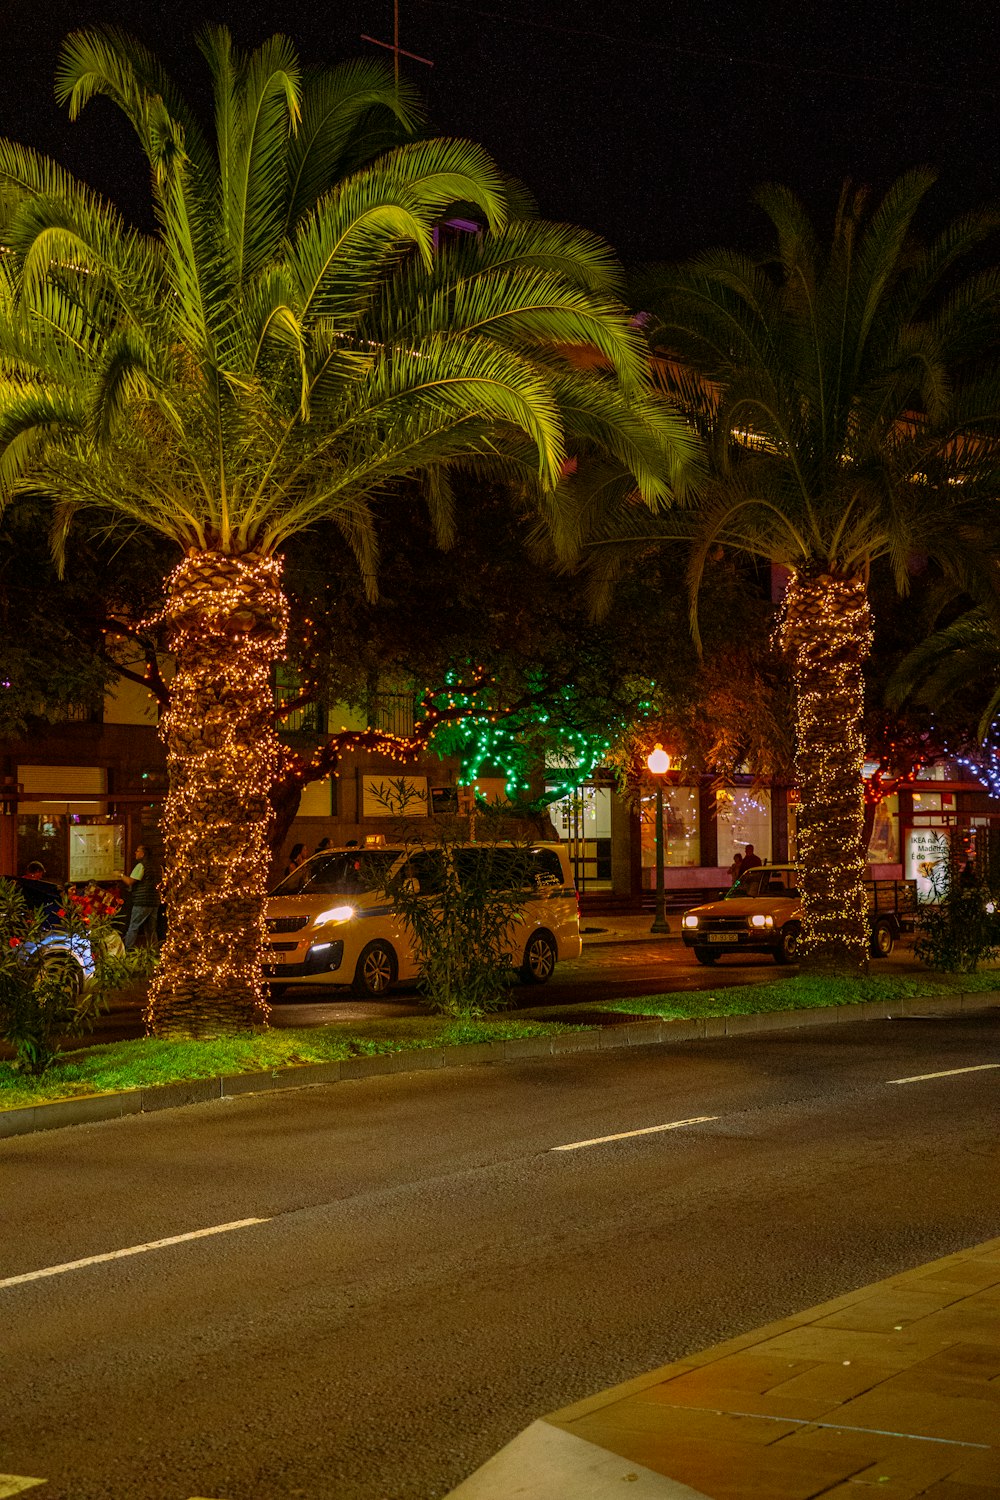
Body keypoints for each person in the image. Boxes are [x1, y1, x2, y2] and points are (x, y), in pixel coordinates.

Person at [118, 843, 160, 949]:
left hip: (142, 901)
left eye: (137, 851)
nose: (135, 853)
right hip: (154, 901)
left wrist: (120, 875)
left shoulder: (141, 866)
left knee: (134, 926)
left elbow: (130, 881)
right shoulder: (157, 866)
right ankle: (153, 950)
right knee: (151, 929)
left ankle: (127, 949)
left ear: (143, 853)